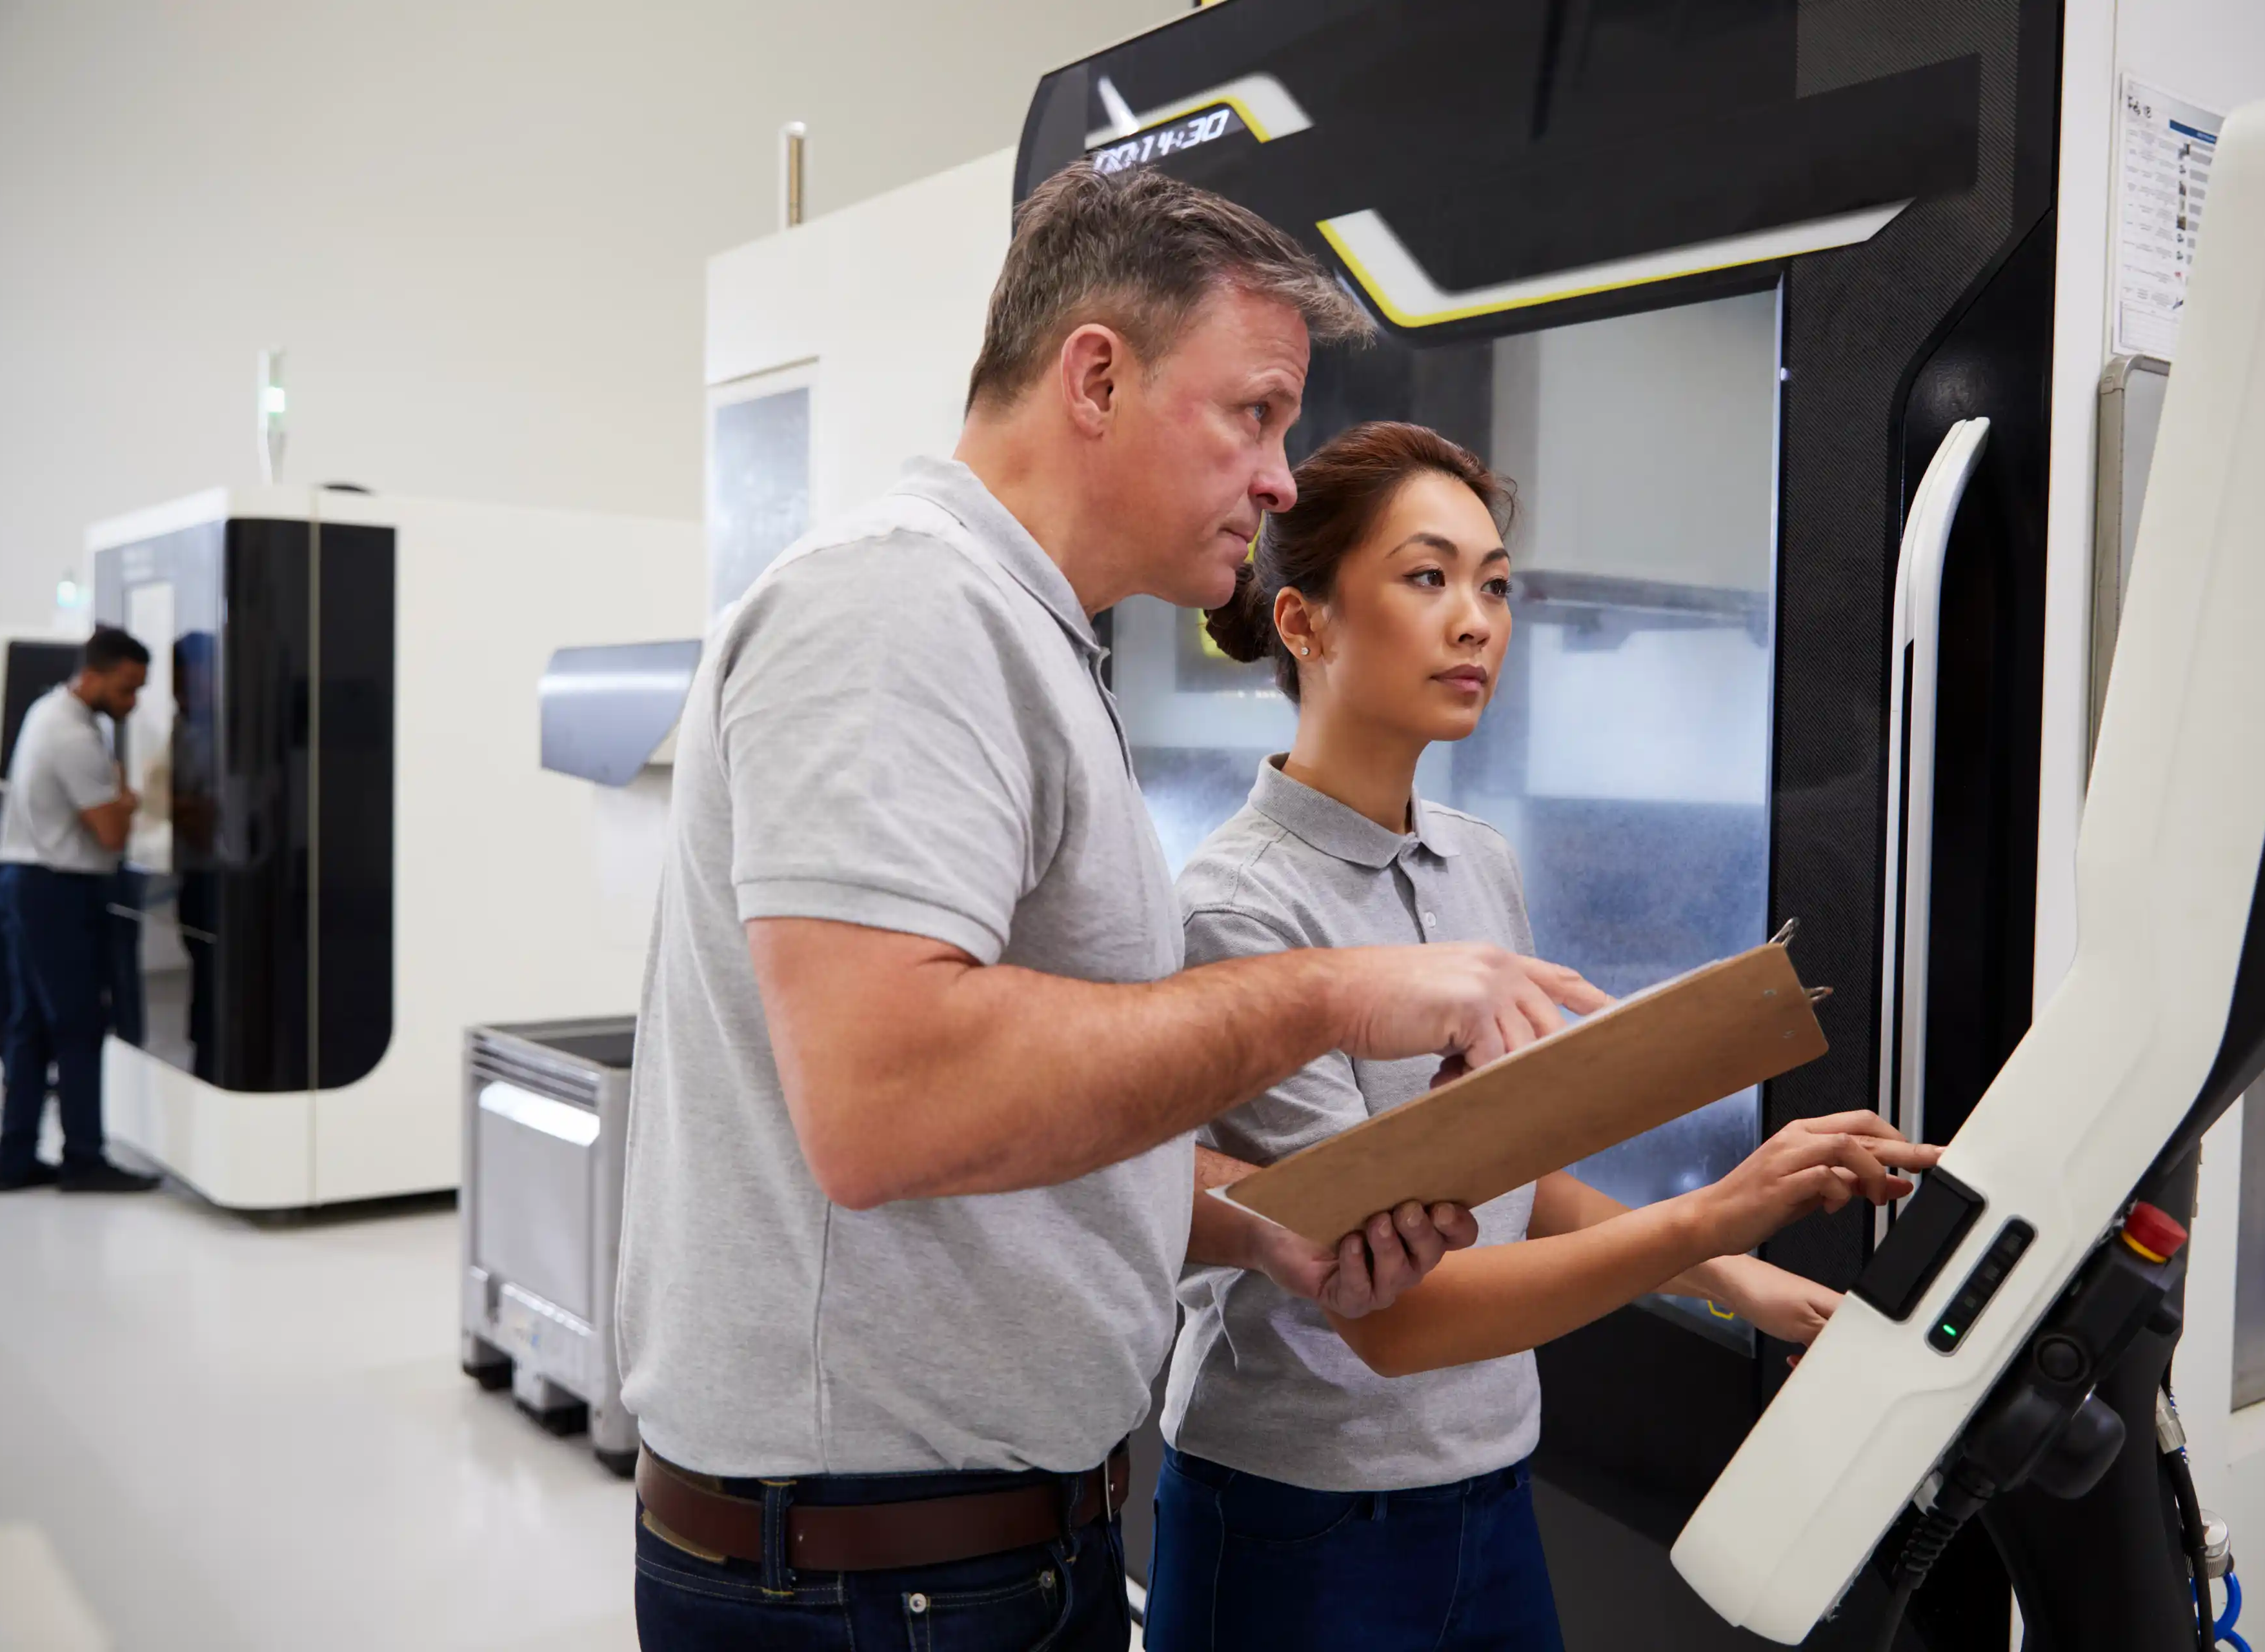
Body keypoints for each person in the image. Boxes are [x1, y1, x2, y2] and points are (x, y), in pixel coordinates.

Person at [615, 160, 1731, 1651]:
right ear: (1094, 377)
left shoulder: (1025, 640)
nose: (1278, 475)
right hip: (874, 1578)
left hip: (977, 1551)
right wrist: (1330, 994)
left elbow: (1026, 1132)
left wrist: (1259, 1226)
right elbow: (886, 1099)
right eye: (1252, 412)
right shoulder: (902, 613)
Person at [1143, 423, 1940, 1650]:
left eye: (1495, 583)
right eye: (1428, 577)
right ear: (1303, 624)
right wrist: (1715, 1214)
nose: (1477, 621)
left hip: (1493, 1495)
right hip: (1297, 1526)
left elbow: (1518, 1187)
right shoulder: (1241, 908)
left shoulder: (1480, 864)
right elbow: (1395, 1314)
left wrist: (1739, 1281)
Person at [0, 623, 160, 1194]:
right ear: (94, 675)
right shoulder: (75, 737)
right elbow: (110, 832)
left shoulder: (49, 711)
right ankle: (84, 1157)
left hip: (23, 882)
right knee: (79, 1024)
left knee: (29, 1026)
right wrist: (129, 802)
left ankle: (15, 1158)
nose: (131, 701)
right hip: (55, 891)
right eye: (127, 687)